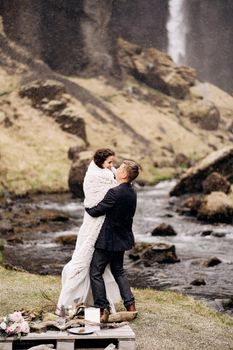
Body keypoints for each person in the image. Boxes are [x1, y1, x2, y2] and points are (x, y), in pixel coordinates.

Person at [56, 148, 121, 316]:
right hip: (94, 222)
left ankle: (96, 302)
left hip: (101, 221)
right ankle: (68, 303)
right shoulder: (97, 176)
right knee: (83, 259)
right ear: (100, 162)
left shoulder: (109, 173)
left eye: (112, 162)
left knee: (96, 264)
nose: (112, 165)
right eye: (109, 162)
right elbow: (95, 201)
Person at [86, 160, 140, 314]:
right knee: (119, 271)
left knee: (95, 272)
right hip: (122, 238)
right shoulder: (132, 191)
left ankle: (102, 308)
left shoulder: (114, 193)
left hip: (108, 240)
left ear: (123, 174)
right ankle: (130, 305)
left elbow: (96, 210)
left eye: (120, 168)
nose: (116, 169)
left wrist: (86, 205)